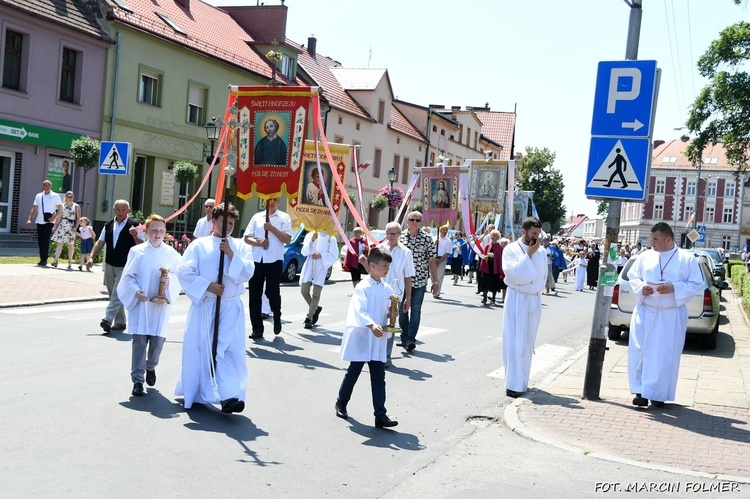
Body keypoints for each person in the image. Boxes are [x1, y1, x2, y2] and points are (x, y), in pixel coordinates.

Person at [176, 203, 255, 413]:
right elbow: (184, 271)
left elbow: (248, 272)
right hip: (207, 305)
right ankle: (206, 391)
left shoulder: (240, 246)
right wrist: (207, 286)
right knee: (204, 350)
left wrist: (230, 253)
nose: (228, 227)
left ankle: (229, 395)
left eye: (231, 223)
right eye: (224, 222)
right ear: (214, 221)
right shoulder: (199, 245)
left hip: (230, 306)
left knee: (226, 349)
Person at [627, 222, 704, 408]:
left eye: (656, 239)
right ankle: (640, 393)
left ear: (668, 239)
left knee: (663, 355)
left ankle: (659, 395)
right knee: (641, 352)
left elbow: (696, 284)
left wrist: (674, 288)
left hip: (670, 316)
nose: (651, 242)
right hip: (646, 312)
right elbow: (633, 276)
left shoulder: (687, 259)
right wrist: (640, 288)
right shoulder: (645, 256)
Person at [117, 214, 182, 397]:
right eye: (154, 230)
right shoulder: (137, 251)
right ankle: (137, 380)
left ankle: (150, 366)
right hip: (141, 304)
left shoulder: (171, 254)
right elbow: (128, 277)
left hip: (160, 307)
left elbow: (181, 275)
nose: (157, 234)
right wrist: (135, 291)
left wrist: (170, 281)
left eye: (161, 230)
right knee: (139, 342)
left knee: (157, 343)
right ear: (146, 232)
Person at [334, 246, 398, 429]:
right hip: (364, 336)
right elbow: (358, 310)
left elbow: (386, 311)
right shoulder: (362, 287)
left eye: (388, 266)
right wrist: (371, 324)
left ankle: (380, 415)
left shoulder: (387, 288)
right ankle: (341, 402)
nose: (387, 269)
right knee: (354, 372)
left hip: (377, 338)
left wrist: (392, 315)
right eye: (384, 265)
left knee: (379, 377)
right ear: (372, 265)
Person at [501, 216, 547, 398]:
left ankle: (523, 382)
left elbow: (542, 277)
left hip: (533, 300)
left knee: (527, 342)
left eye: (538, 233)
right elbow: (514, 274)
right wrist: (529, 254)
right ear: (524, 231)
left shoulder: (541, 252)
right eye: (533, 233)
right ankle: (513, 384)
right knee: (513, 340)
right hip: (517, 299)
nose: (536, 237)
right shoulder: (511, 250)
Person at [87, 200, 143, 333]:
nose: (121, 212)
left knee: (118, 291)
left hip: (126, 264)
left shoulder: (135, 225)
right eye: (118, 209)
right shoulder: (108, 224)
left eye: (123, 210)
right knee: (113, 293)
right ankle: (120, 321)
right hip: (110, 263)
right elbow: (100, 242)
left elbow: (142, 245)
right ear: (114, 210)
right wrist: (91, 257)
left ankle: (107, 319)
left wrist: (135, 235)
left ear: (128, 210)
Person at [243, 197, 293, 339]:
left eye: (275, 199)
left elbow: (287, 239)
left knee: (272, 292)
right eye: (269, 199)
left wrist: (271, 228)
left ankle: (276, 314)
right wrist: (258, 243)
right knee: (254, 295)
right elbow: (247, 237)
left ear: (279, 202)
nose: (272, 202)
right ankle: (257, 328)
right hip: (257, 260)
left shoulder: (284, 217)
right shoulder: (257, 217)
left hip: (274, 260)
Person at [399, 211, 439, 352]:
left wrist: (435, 282)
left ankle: (411, 338)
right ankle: (404, 336)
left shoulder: (427, 239)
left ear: (421, 222)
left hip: (420, 281)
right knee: (402, 310)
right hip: (402, 282)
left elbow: (431, 261)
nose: (414, 222)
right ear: (408, 221)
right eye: (412, 219)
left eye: (418, 220)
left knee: (415, 310)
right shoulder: (401, 236)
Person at [376, 222, 414, 368]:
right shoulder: (379, 249)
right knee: (377, 322)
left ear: (399, 234)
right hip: (378, 291)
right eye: (389, 233)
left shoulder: (406, 252)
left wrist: (408, 298)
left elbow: (408, 276)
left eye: (394, 233)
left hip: (395, 294)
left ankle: (386, 357)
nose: (391, 237)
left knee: (390, 325)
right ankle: (374, 354)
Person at [299, 230, 338, 329]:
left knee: (316, 294)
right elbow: (304, 251)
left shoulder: (331, 238)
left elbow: (334, 255)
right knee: (304, 291)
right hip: (310, 265)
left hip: (321, 267)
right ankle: (315, 308)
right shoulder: (310, 235)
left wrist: (321, 255)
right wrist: (311, 240)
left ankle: (309, 318)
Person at [26, 180, 62, 267]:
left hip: (49, 222)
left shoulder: (55, 196)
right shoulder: (39, 196)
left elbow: (60, 208)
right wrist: (29, 219)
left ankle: (44, 259)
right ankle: (42, 258)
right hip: (40, 221)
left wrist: (54, 217)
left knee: (45, 240)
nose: (46, 187)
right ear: (42, 186)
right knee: (40, 240)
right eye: (45, 185)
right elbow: (34, 208)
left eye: (48, 185)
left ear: (51, 186)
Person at [50, 191, 81, 269]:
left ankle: (70, 262)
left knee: (70, 245)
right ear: (66, 197)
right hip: (62, 225)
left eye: (72, 197)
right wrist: (55, 226)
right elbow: (59, 217)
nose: (70, 198)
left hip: (71, 226)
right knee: (59, 243)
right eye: (69, 197)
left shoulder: (76, 206)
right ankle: (56, 260)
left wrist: (76, 226)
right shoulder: (62, 206)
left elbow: (78, 218)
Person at [479, 230, 504, 306]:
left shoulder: (499, 247)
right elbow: (483, 255)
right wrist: (486, 256)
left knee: (494, 283)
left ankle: (493, 298)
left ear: (497, 237)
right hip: (487, 266)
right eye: (492, 235)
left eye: (495, 236)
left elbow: (500, 258)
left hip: (494, 267)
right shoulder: (487, 246)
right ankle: (485, 298)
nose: (493, 237)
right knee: (485, 282)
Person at [433, 225, 452, 298]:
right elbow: (429, 248)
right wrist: (434, 243)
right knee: (433, 275)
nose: (445, 232)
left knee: (439, 276)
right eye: (443, 230)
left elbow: (448, 252)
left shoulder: (448, 241)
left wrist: (440, 260)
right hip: (434, 259)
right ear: (440, 230)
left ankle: (437, 292)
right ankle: (434, 288)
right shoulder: (434, 238)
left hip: (442, 259)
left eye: (446, 230)